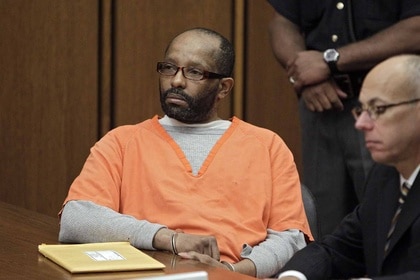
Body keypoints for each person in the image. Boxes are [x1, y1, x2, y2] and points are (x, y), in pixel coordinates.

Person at [58, 27, 312, 278]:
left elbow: (290, 239)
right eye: (169, 68)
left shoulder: (267, 146)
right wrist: (170, 239)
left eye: (194, 72)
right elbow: (77, 218)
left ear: (223, 88)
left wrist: (232, 271)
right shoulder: (122, 141)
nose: (176, 81)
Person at [267, 0, 420, 238]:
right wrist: (305, 76)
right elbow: (283, 20)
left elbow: (416, 28)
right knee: (323, 223)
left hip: (389, 105)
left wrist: (330, 61)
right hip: (319, 103)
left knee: (389, 219)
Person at [270, 54, 420, 280]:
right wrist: (295, 275)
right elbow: (336, 250)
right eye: (361, 110)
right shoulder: (385, 176)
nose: (361, 124)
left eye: (378, 109)